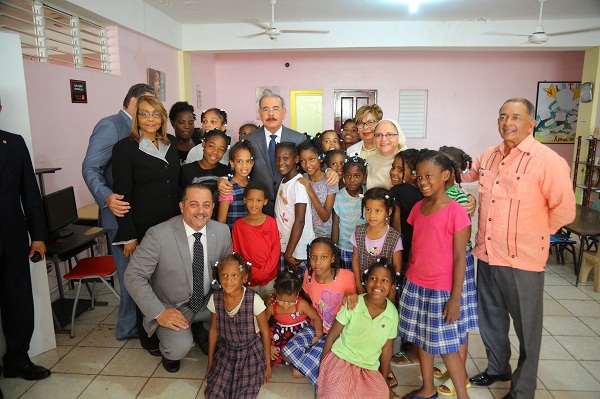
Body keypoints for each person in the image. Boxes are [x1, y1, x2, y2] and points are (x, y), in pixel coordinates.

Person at [463, 98, 575, 399]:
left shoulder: (547, 161)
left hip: (522, 260)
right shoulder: (488, 155)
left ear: (531, 123)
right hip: (486, 254)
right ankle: (498, 367)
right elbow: (463, 177)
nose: (507, 122)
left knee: (527, 327)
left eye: (515, 116)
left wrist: (535, 233)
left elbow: (565, 211)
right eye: (502, 116)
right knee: (491, 319)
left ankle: (523, 389)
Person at [124, 183, 233, 372]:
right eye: (194, 205)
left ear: (213, 207)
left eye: (206, 205)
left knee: (237, 325)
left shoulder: (222, 231)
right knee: (177, 349)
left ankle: (202, 327)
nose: (201, 211)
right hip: (173, 307)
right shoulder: (158, 234)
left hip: (208, 301)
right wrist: (159, 312)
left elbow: (227, 270)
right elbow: (133, 276)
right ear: (182, 207)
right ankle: (174, 345)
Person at [82, 83, 156, 341]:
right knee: (130, 279)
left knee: (140, 276)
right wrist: (106, 197)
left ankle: (139, 324)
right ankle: (128, 329)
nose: (151, 115)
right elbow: (91, 167)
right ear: (134, 103)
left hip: (141, 215)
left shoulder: (144, 129)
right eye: (146, 108)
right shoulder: (111, 125)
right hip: (119, 215)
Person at [398, 149, 472, 399]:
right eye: (419, 177)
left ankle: (463, 395)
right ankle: (428, 387)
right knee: (422, 339)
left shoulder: (456, 211)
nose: (423, 182)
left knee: (449, 347)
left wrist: (455, 298)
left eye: (429, 175)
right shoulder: (418, 207)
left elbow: (461, 258)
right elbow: (416, 244)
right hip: (416, 283)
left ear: (446, 175)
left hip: (442, 289)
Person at [112, 95, 181, 353]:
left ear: (162, 117)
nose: (150, 119)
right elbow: (122, 195)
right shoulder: (124, 148)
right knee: (146, 283)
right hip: (143, 228)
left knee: (167, 281)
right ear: (136, 117)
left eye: (155, 114)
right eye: (144, 113)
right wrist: (129, 234)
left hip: (171, 224)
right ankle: (148, 337)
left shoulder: (171, 144)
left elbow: (175, 186)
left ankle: (171, 327)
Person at [0, 103, 51, 384]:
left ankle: (17, 360)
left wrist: (39, 237)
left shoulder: (14, 143)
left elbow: (30, 194)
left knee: (18, 305)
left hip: (12, 241)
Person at [432, 145, 479, 397]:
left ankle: (461, 375)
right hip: (443, 263)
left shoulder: (459, 198)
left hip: (458, 263)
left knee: (458, 321)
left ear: (453, 172)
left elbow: (460, 242)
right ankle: (452, 366)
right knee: (447, 319)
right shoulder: (437, 194)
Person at [318, 259, 399, 399]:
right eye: (373, 278)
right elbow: (332, 335)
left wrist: (384, 379)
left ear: (392, 286)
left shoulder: (392, 314)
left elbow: (387, 348)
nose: (378, 284)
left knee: (381, 395)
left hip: (368, 367)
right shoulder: (353, 304)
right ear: (365, 282)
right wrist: (323, 365)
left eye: (384, 280)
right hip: (341, 360)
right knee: (336, 395)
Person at [282, 237, 356, 386]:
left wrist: (352, 295)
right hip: (316, 326)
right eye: (313, 257)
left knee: (296, 373)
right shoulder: (309, 275)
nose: (318, 262)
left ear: (333, 258)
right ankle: (319, 362)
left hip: (337, 333)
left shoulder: (346, 276)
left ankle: (322, 364)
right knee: (286, 353)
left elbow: (353, 304)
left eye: (324, 257)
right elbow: (308, 299)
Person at [205, 252, 271, 399]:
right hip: (227, 352)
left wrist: (267, 364)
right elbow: (214, 330)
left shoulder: (254, 300)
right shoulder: (215, 299)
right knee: (214, 392)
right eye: (224, 275)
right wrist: (210, 363)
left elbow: (265, 333)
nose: (228, 280)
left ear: (244, 278)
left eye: (234, 275)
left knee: (244, 393)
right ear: (219, 277)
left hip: (250, 354)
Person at [351, 187, 402, 300]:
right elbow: (355, 259)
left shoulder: (394, 237)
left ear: (388, 211)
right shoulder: (358, 232)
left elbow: (397, 267)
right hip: (363, 287)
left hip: (384, 291)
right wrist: (358, 284)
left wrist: (391, 292)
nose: (371, 215)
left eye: (377, 211)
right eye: (368, 209)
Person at [232, 181, 280, 299]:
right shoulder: (238, 225)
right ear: (245, 200)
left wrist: (264, 273)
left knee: (270, 308)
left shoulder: (271, 222)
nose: (254, 204)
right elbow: (236, 253)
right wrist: (251, 272)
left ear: (265, 201)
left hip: (269, 277)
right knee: (252, 311)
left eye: (258, 200)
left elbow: (275, 250)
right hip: (248, 277)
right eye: (250, 199)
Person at [265, 270, 323, 366]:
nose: (285, 306)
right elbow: (263, 325)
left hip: (300, 335)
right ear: (275, 292)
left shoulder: (301, 304)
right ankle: (280, 355)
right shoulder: (272, 306)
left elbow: (316, 318)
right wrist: (268, 345)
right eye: (281, 301)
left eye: (291, 302)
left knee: (301, 345)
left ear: (297, 294)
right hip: (281, 335)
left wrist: (318, 335)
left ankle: (290, 357)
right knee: (265, 336)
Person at [274, 142, 314, 274]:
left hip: (297, 252)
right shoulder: (285, 180)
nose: (281, 163)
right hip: (287, 249)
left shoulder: (298, 184)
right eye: (277, 158)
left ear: (296, 159)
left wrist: (289, 253)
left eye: (285, 158)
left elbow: (300, 220)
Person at [332, 155, 367, 270]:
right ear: (343, 176)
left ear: (364, 176)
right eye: (348, 175)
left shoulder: (368, 196)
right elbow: (335, 225)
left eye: (357, 176)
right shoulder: (338, 196)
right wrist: (334, 248)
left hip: (364, 249)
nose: (352, 180)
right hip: (344, 249)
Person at [298, 140, 339, 238]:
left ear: (320, 158)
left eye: (312, 159)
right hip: (304, 234)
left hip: (323, 235)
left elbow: (325, 217)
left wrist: (310, 191)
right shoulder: (301, 179)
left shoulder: (330, 181)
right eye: (302, 161)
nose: (307, 165)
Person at [180, 129, 230, 197]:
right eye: (211, 146)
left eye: (221, 149)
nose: (215, 152)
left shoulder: (226, 171)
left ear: (225, 151)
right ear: (203, 144)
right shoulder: (186, 170)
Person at [217, 140, 254, 228]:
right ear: (232, 163)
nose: (244, 165)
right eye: (239, 161)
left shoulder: (253, 185)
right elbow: (221, 222)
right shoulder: (227, 188)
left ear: (252, 163)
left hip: (249, 237)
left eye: (248, 161)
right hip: (232, 238)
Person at [366, 118, 407, 190]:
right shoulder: (370, 161)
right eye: (378, 135)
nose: (383, 139)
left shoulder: (408, 160)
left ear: (399, 136)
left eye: (390, 134)